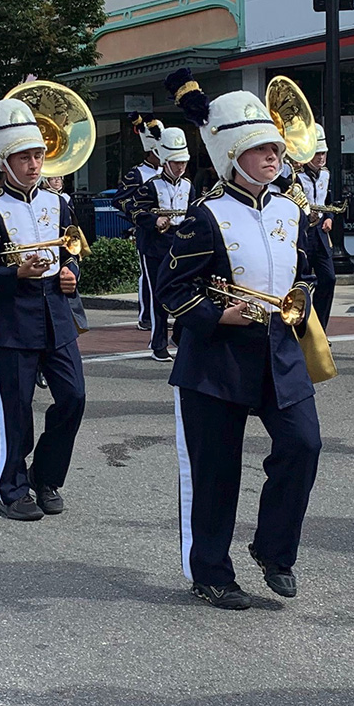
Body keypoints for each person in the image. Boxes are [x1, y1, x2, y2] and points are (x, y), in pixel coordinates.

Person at [158, 76, 321, 609]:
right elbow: (172, 289)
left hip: (279, 348)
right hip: (217, 358)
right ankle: (210, 570)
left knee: (303, 444)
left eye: (275, 146)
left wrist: (303, 297)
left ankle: (274, 551)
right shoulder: (204, 216)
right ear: (234, 156)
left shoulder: (291, 209)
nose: (274, 154)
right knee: (216, 471)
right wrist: (216, 315)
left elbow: (315, 270)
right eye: (260, 149)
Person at [0, 87, 87, 521]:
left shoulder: (59, 203)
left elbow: (70, 252)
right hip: (14, 319)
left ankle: (45, 475)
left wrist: (70, 274)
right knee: (15, 408)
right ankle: (11, 488)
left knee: (73, 398)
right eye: (23, 158)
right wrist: (16, 275)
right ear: (2, 164)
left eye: (38, 156)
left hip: (57, 314)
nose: (34, 165)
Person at [131, 127, 193, 361]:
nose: (180, 167)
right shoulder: (151, 185)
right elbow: (135, 210)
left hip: (180, 245)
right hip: (154, 246)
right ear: (165, 162)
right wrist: (154, 219)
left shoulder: (188, 185)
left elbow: (194, 213)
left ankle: (178, 334)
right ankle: (158, 345)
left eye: (183, 162)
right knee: (158, 297)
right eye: (176, 162)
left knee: (185, 292)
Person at [116, 113, 166, 330]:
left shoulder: (168, 172)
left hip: (170, 233)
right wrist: (141, 215)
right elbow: (120, 200)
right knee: (147, 276)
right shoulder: (136, 173)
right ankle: (146, 316)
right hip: (147, 231)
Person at [290, 139, 338, 328]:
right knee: (301, 281)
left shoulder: (326, 174)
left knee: (328, 278)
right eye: (317, 154)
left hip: (320, 234)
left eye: (323, 153)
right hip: (302, 233)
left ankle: (319, 328)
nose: (321, 158)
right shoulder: (295, 176)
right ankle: (300, 326)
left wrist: (329, 218)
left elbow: (328, 200)